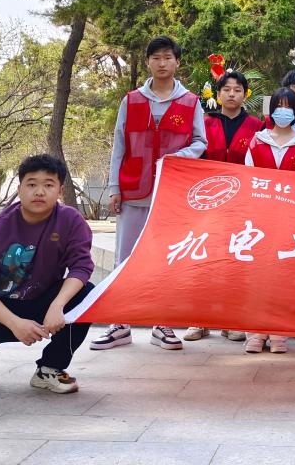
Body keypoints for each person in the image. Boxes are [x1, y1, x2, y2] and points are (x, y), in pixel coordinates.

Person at [90, 35, 207, 352]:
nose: (162, 63)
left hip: (170, 196)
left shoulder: (190, 102)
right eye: (156, 57)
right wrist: (114, 188)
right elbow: (119, 145)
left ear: (177, 62)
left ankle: (162, 323)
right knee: (124, 259)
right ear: (148, 62)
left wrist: (178, 157)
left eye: (168, 57)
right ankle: (120, 324)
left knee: (165, 259)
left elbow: (200, 142)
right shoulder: (131, 101)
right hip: (133, 191)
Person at [0, 155, 94, 395]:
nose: (39, 192)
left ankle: (50, 368)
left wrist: (58, 305)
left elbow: (81, 266)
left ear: (60, 190)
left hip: (44, 301)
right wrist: (14, 323)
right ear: (19, 189)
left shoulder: (70, 221)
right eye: (31, 184)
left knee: (86, 296)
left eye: (48, 185)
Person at [184, 69, 262, 343]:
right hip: (207, 203)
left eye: (237, 90)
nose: (231, 94)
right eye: (226, 89)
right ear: (217, 94)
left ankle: (232, 320)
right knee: (203, 260)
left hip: (242, 205)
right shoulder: (204, 123)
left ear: (245, 94)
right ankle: (200, 320)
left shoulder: (256, 126)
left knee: (235, 261)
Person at [241, 87, 295, 356]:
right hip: (260, 220)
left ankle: (279, 333)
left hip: (290, 221)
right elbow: (249, 179)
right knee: (258, 277)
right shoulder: (257, 142)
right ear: (271, 110)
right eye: (278, 105)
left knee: (283, 277)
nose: (283, 111)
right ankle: (256, 332)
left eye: (288, 106)